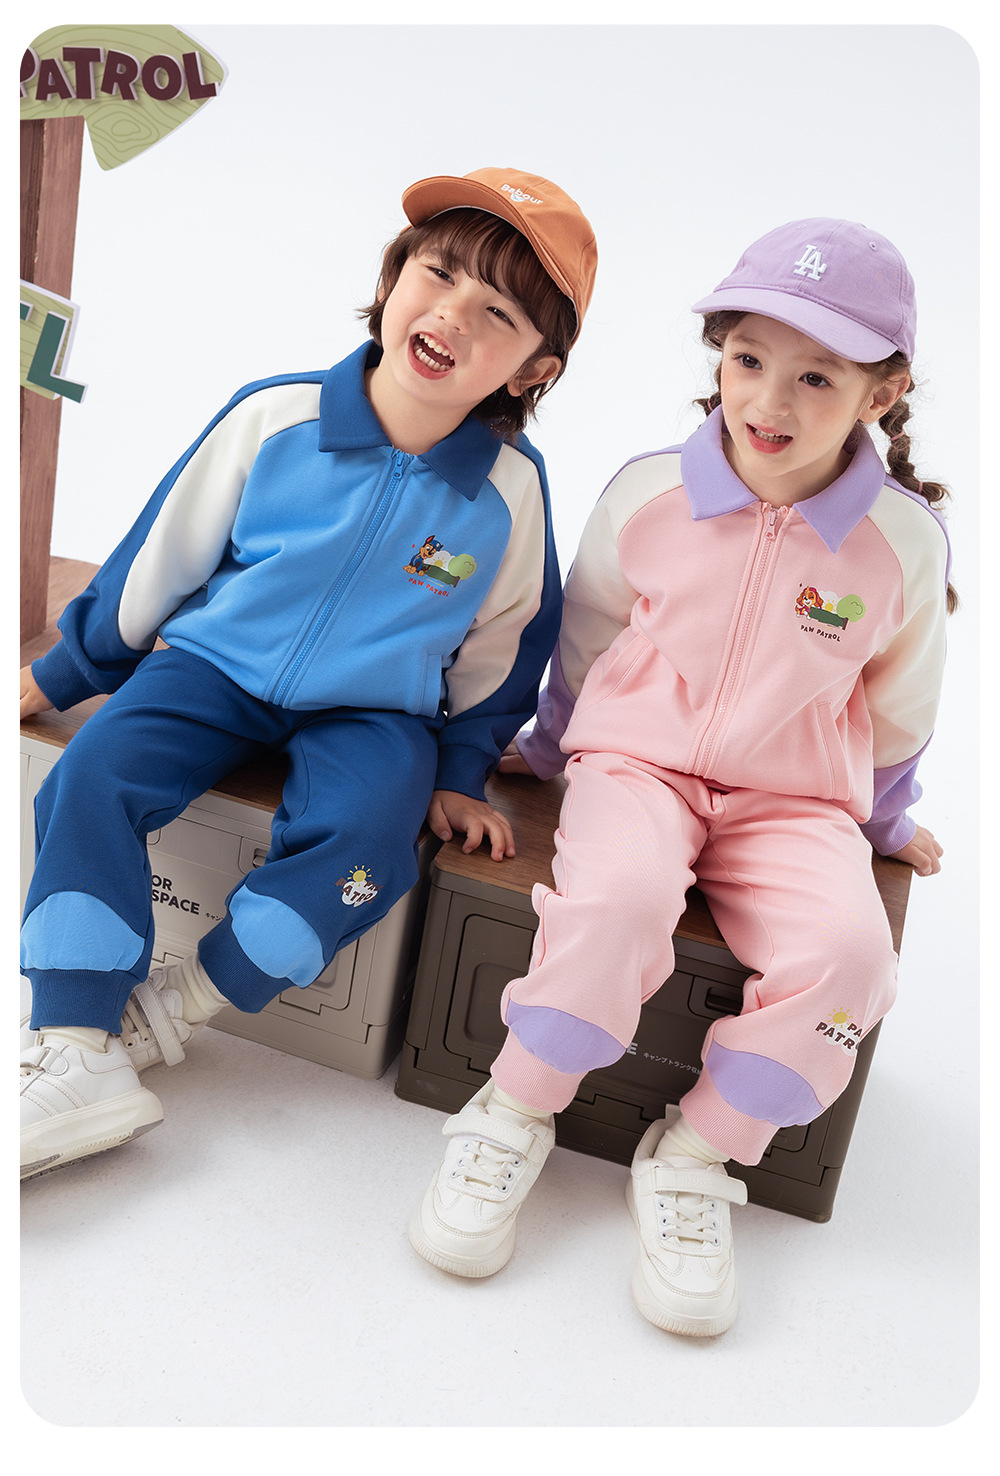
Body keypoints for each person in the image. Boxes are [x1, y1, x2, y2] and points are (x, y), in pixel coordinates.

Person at [408, 218, 953, 1337]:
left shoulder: (902, 541)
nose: (770, 400)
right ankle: (514, 1108)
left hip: (796, 801)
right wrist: (550, 751)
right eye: (748, 359)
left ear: (883, 392)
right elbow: (587, 632)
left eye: (817, 377)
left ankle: (699, 1154)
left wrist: (887, 820)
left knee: (852, 960)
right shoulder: (652, 492)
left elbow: (904, 697)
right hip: (636, 764)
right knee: (615, 901)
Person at [19, 167, 598, 1183]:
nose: (453, 315)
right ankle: (72, 1037)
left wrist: (459, 771)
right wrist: (70, 670)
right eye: (439, 275)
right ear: (389, 281)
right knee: (90, 777)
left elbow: (509, 648)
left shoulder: (510, 493)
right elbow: (164, 552)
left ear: (532, 371)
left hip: (376, 713)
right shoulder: (275, 415)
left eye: (497, 313)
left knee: (370, 846)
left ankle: (173, 1010)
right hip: (214, 666)